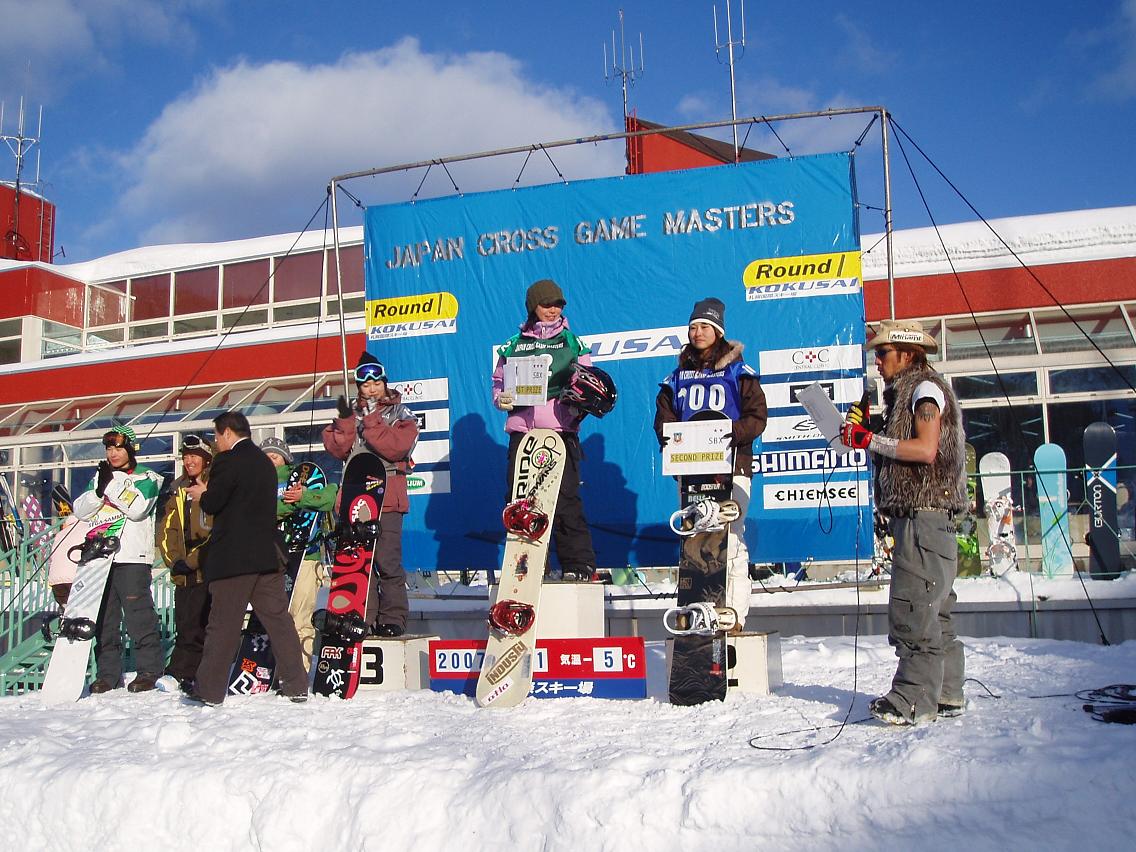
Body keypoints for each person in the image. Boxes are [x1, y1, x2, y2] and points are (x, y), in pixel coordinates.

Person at [840, 318, 967, 725]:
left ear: (907, 354)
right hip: (929, 516)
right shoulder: (910, 394)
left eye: (883, 353)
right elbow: (903, 451)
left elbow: (925, 450)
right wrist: (867, 430)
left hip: (924, 517)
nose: (877, 360)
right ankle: (945, 692)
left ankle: (912, 699)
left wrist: (869, 439)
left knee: (914, 608)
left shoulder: (925, 390)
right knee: (936, 609)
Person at [653, 297, 768, 632]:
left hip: (732, 468)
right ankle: (695, 614)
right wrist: (677, 440)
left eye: (704, 326)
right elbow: (663, 419)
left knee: (729, 538)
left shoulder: (738, 371)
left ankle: (732, 615)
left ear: (718, 331)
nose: (697, 332)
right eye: (692, 326)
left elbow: (757, 418)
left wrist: (724, 433)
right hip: (691, 471)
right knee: (694, 541)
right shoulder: (676, 376)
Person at [185, 411, 307, 705]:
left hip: (234, 558)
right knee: (278, 620)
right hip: (266, 555)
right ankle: (297, 684)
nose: (215, 443)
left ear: (227, 432)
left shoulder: (228, 461)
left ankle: (210, 690)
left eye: (216, 436)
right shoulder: (265, 464)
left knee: (223, 624)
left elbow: (215, 502)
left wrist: (203, 492)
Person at [490, 279, 598, 581]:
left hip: (560, 432)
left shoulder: (573, 342)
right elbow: (498, 384)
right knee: (521, 500)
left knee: (564, 499)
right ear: (532, 307)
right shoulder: (513, 344)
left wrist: (577, 401)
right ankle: (528, 566)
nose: (552, 310)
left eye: (557, 304)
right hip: (523, 434)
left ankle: (578, 565)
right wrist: (504, 399)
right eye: (546, 304)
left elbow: (588, 383)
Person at [322, 352, 419, 636]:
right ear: (358, 387)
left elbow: (396, 447)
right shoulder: (350, 413)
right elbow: (337, 449)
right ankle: (362, 616)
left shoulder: (402, 414)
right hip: (354, 498)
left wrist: (372, 420)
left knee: (386, 561)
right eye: (366, 384)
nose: (372, 388)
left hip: (387, 497)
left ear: (385, 382)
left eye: (377, 381)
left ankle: (393, 618)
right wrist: (346, 425)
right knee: (358, 561)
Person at [72, 425, 165, 693]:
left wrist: (110, 485)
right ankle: (107, 674)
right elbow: (81, 510)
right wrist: (98, 491)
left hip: (131, 557)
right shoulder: (99, 478)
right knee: (104, 619)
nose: (113, 453)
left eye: (118, 448)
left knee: (139, 616)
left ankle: (149, 669)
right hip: (99, 558)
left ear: (131, 449)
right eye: (109, 448)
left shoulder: (149, 477)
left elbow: (137, 509)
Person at [260, 435, 338, 669]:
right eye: (265, 458)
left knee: (300, 616)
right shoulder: (257, 483)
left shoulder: (304, 477)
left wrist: (304, 496)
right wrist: (292, 503)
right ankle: (275, 669)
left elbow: (330, 494)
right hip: (270, 557)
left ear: (285, 459)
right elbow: (258, 512)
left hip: (305, 556)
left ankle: (299, 670)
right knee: (273, 617)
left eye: (274, 457)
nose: (270, 462)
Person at [156, 434, 215, 692]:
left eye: (195, 456)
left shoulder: (214, 485)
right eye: (186, 456)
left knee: (200, 622)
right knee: (184, 620)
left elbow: (215, 529)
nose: (190, 461)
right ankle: (180, 670)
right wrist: (174, 560)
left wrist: (193, 560)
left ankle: (187, 671)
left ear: (206, 459)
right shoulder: (178, 488)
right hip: (184, 569)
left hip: (208, 565)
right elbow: (166, 528)